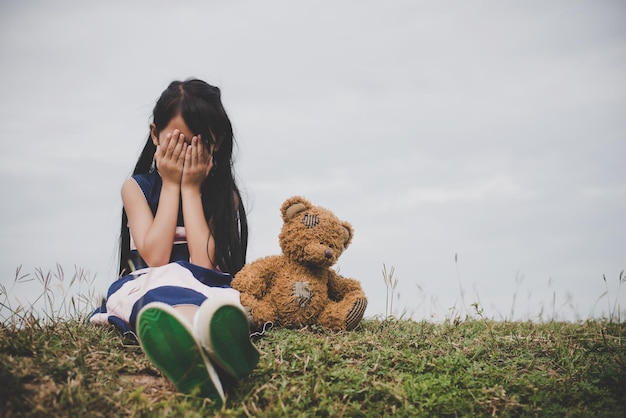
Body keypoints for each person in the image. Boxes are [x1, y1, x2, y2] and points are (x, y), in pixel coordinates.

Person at [90, 78, 259, 404]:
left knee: (220, 303)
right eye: (176, 141)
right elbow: (155, 257)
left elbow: (202, 264)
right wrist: (170, 185)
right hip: (151, 283)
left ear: (217, 142)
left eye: (198, 142)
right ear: (155, 135)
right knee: (163, 289)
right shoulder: (136, 188)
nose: (185, 152)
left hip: (207, 286)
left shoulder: (225, 197)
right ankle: (202, 348)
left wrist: (191, 190)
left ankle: (214, 345)